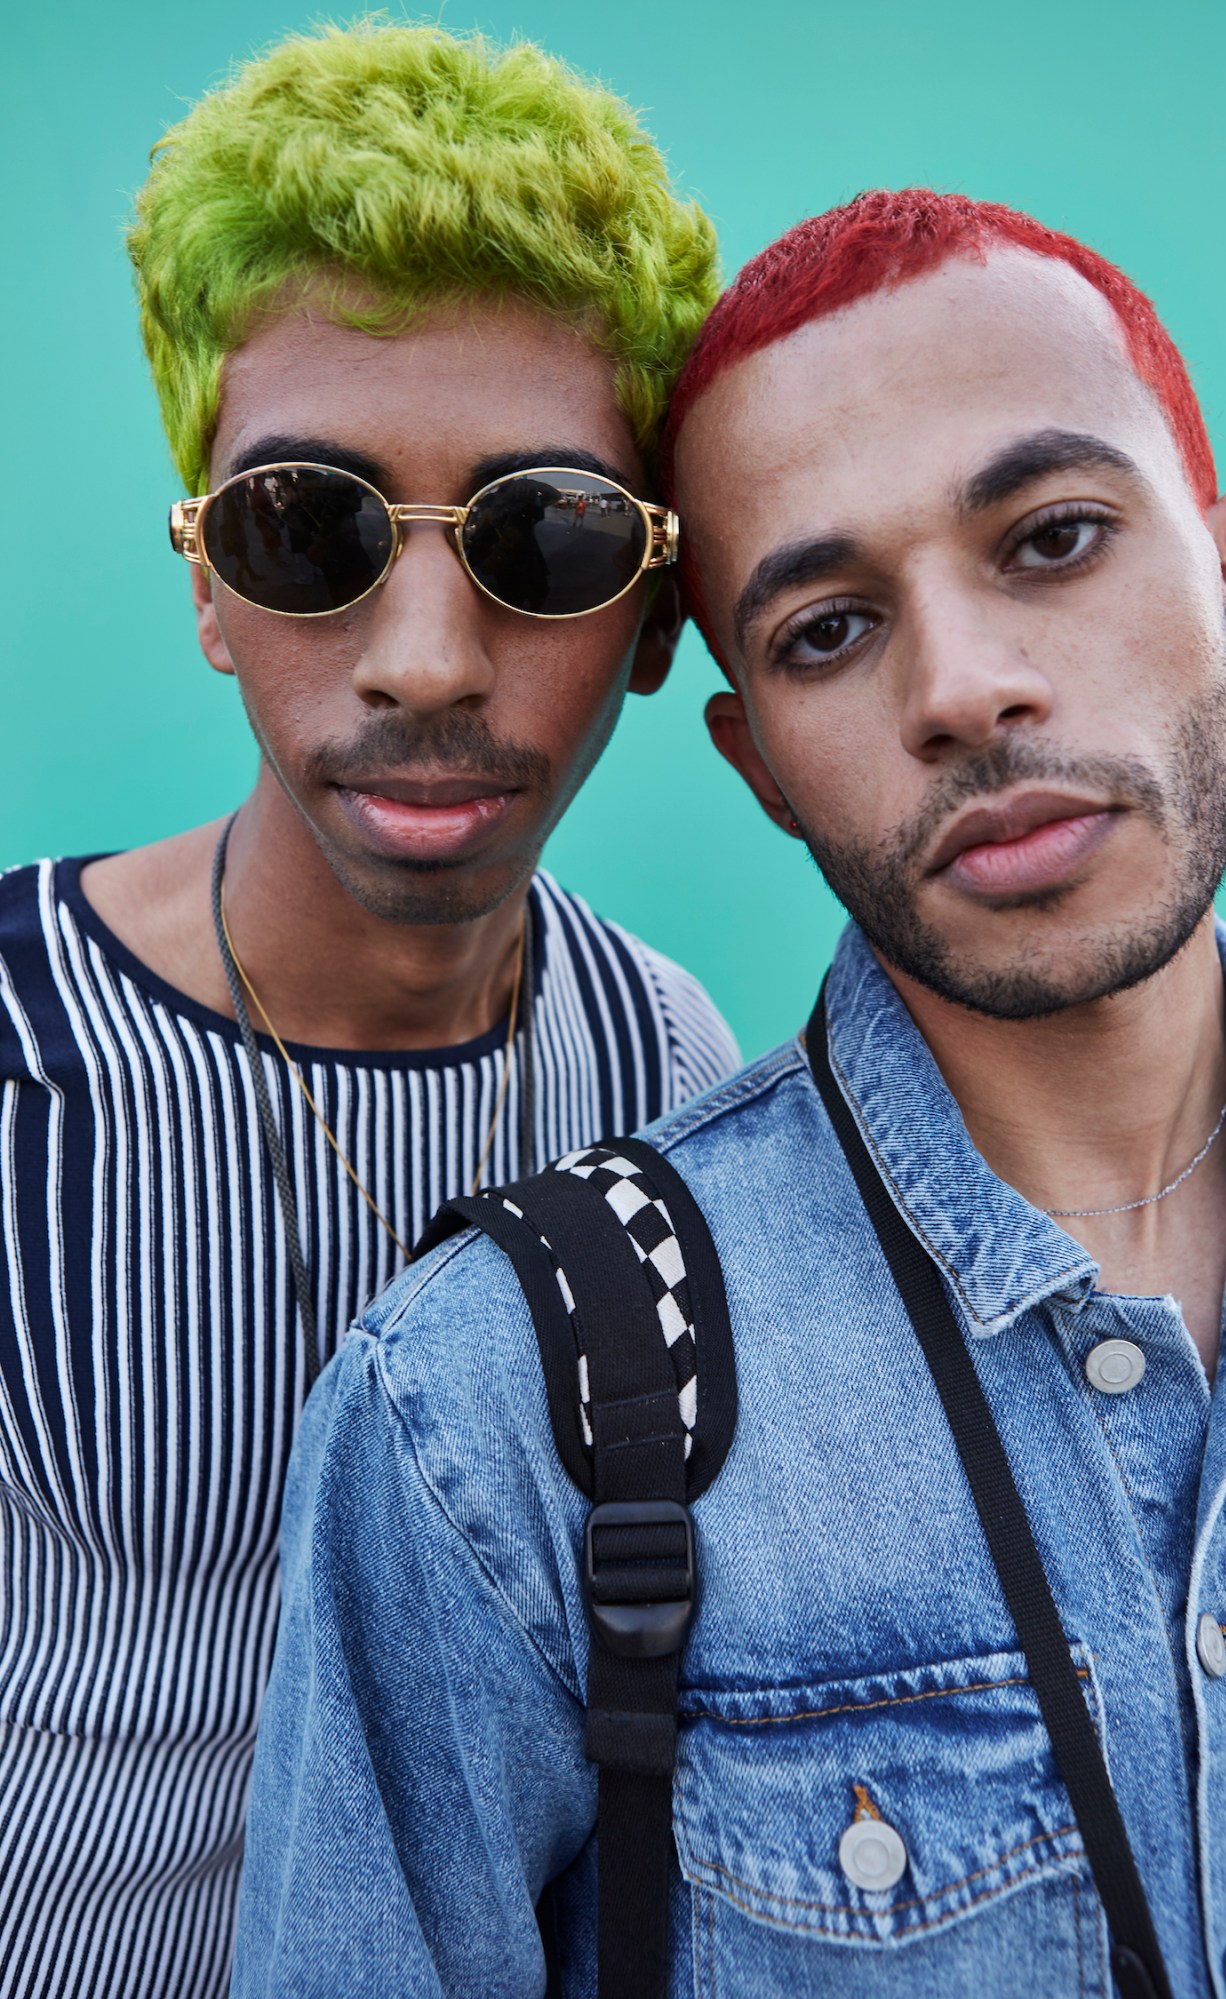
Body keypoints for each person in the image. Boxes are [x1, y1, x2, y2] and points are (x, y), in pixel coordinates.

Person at [232, 188, 1226, 1998]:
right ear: (754, 761)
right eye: (826, 630)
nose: (966, 691)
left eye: (1051, 537)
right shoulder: (502, 1401)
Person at [0, 23, 737, 1998]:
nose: (423, 659)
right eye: (308, 528)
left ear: (660, 615)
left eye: (545, 539)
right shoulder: (14, 1065)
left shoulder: (671, 1081)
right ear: (208, 587)